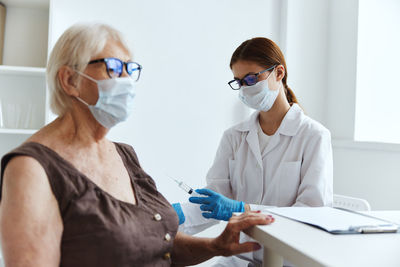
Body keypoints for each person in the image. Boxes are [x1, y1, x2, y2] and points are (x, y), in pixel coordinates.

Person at [0, 23, 274, 267]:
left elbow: (158, 244)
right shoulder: (31, 169)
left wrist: (215, 247)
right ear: (70, 80)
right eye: (114, 68)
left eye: (130, 69)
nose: (127, 82)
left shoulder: (123, 154)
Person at [175, 37, 333, 266]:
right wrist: (168, 216)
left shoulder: (313, 136)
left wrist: (245, 210)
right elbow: (212, 202)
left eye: (251, 78)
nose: (245, 88)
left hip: (288, 260)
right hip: (240, 257)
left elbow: (312, 213)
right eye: (239, 82)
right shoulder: (234, 137)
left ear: (278, 73)